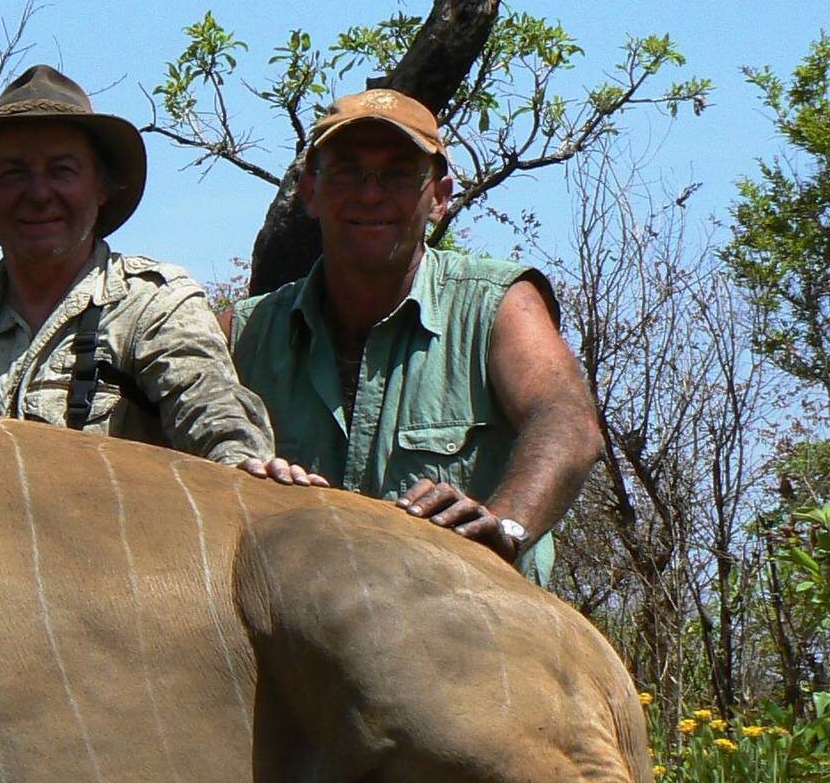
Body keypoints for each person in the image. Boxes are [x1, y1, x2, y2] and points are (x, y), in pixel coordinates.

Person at [227, 89, 603, 581]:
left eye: (399, 174)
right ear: (311, 193)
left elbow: (567, 421)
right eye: (346, 172)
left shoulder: (497, 304)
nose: (370, 193)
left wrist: (505, 527)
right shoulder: (244, 333)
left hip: (475, 629)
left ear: (439, 197)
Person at [0, 65, 275, 466]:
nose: (39, 193)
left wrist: (242, 463)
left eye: (62, 171)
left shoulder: (152, 305)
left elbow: (210, 408)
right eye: (13, 173)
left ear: (100, 187)